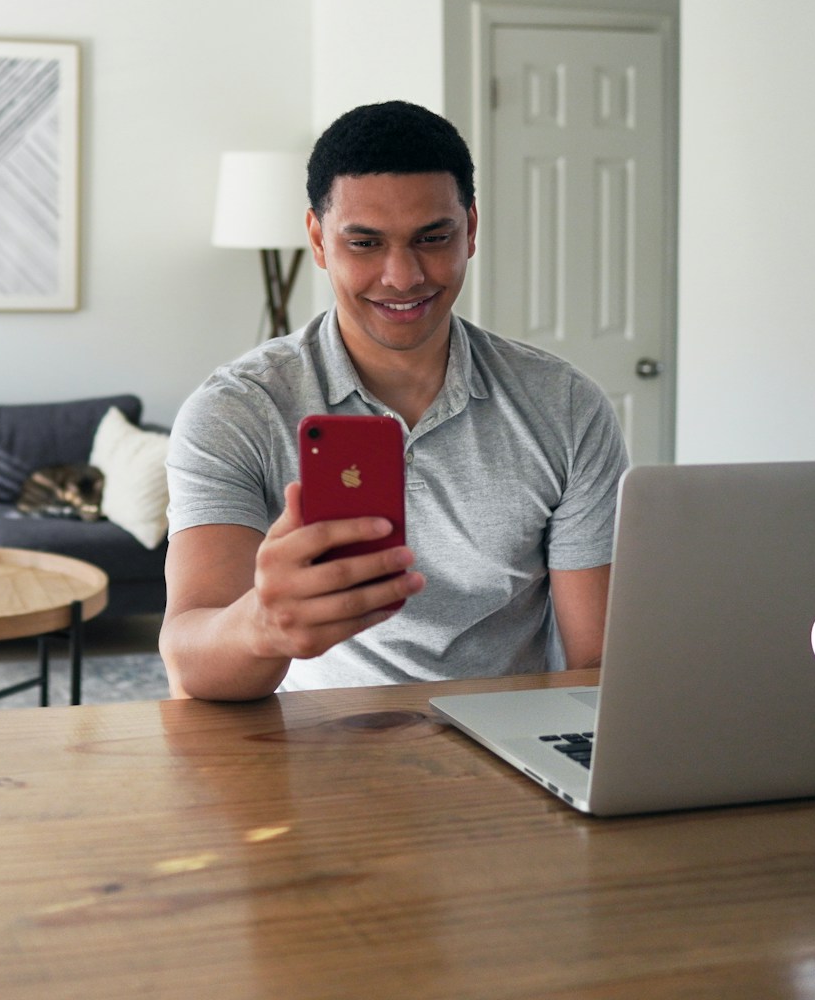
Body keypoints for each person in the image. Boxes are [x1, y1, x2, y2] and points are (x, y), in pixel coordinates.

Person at [161, 101, 628, 701]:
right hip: (307, 748)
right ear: (318, 240)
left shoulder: (565, 407)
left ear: (472, 230)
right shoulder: (237, 412)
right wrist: (262, 625)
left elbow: (594, 662)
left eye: (433, 238)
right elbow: (189, 662)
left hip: (503, 752)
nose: (403, 276)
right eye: (365, 243)